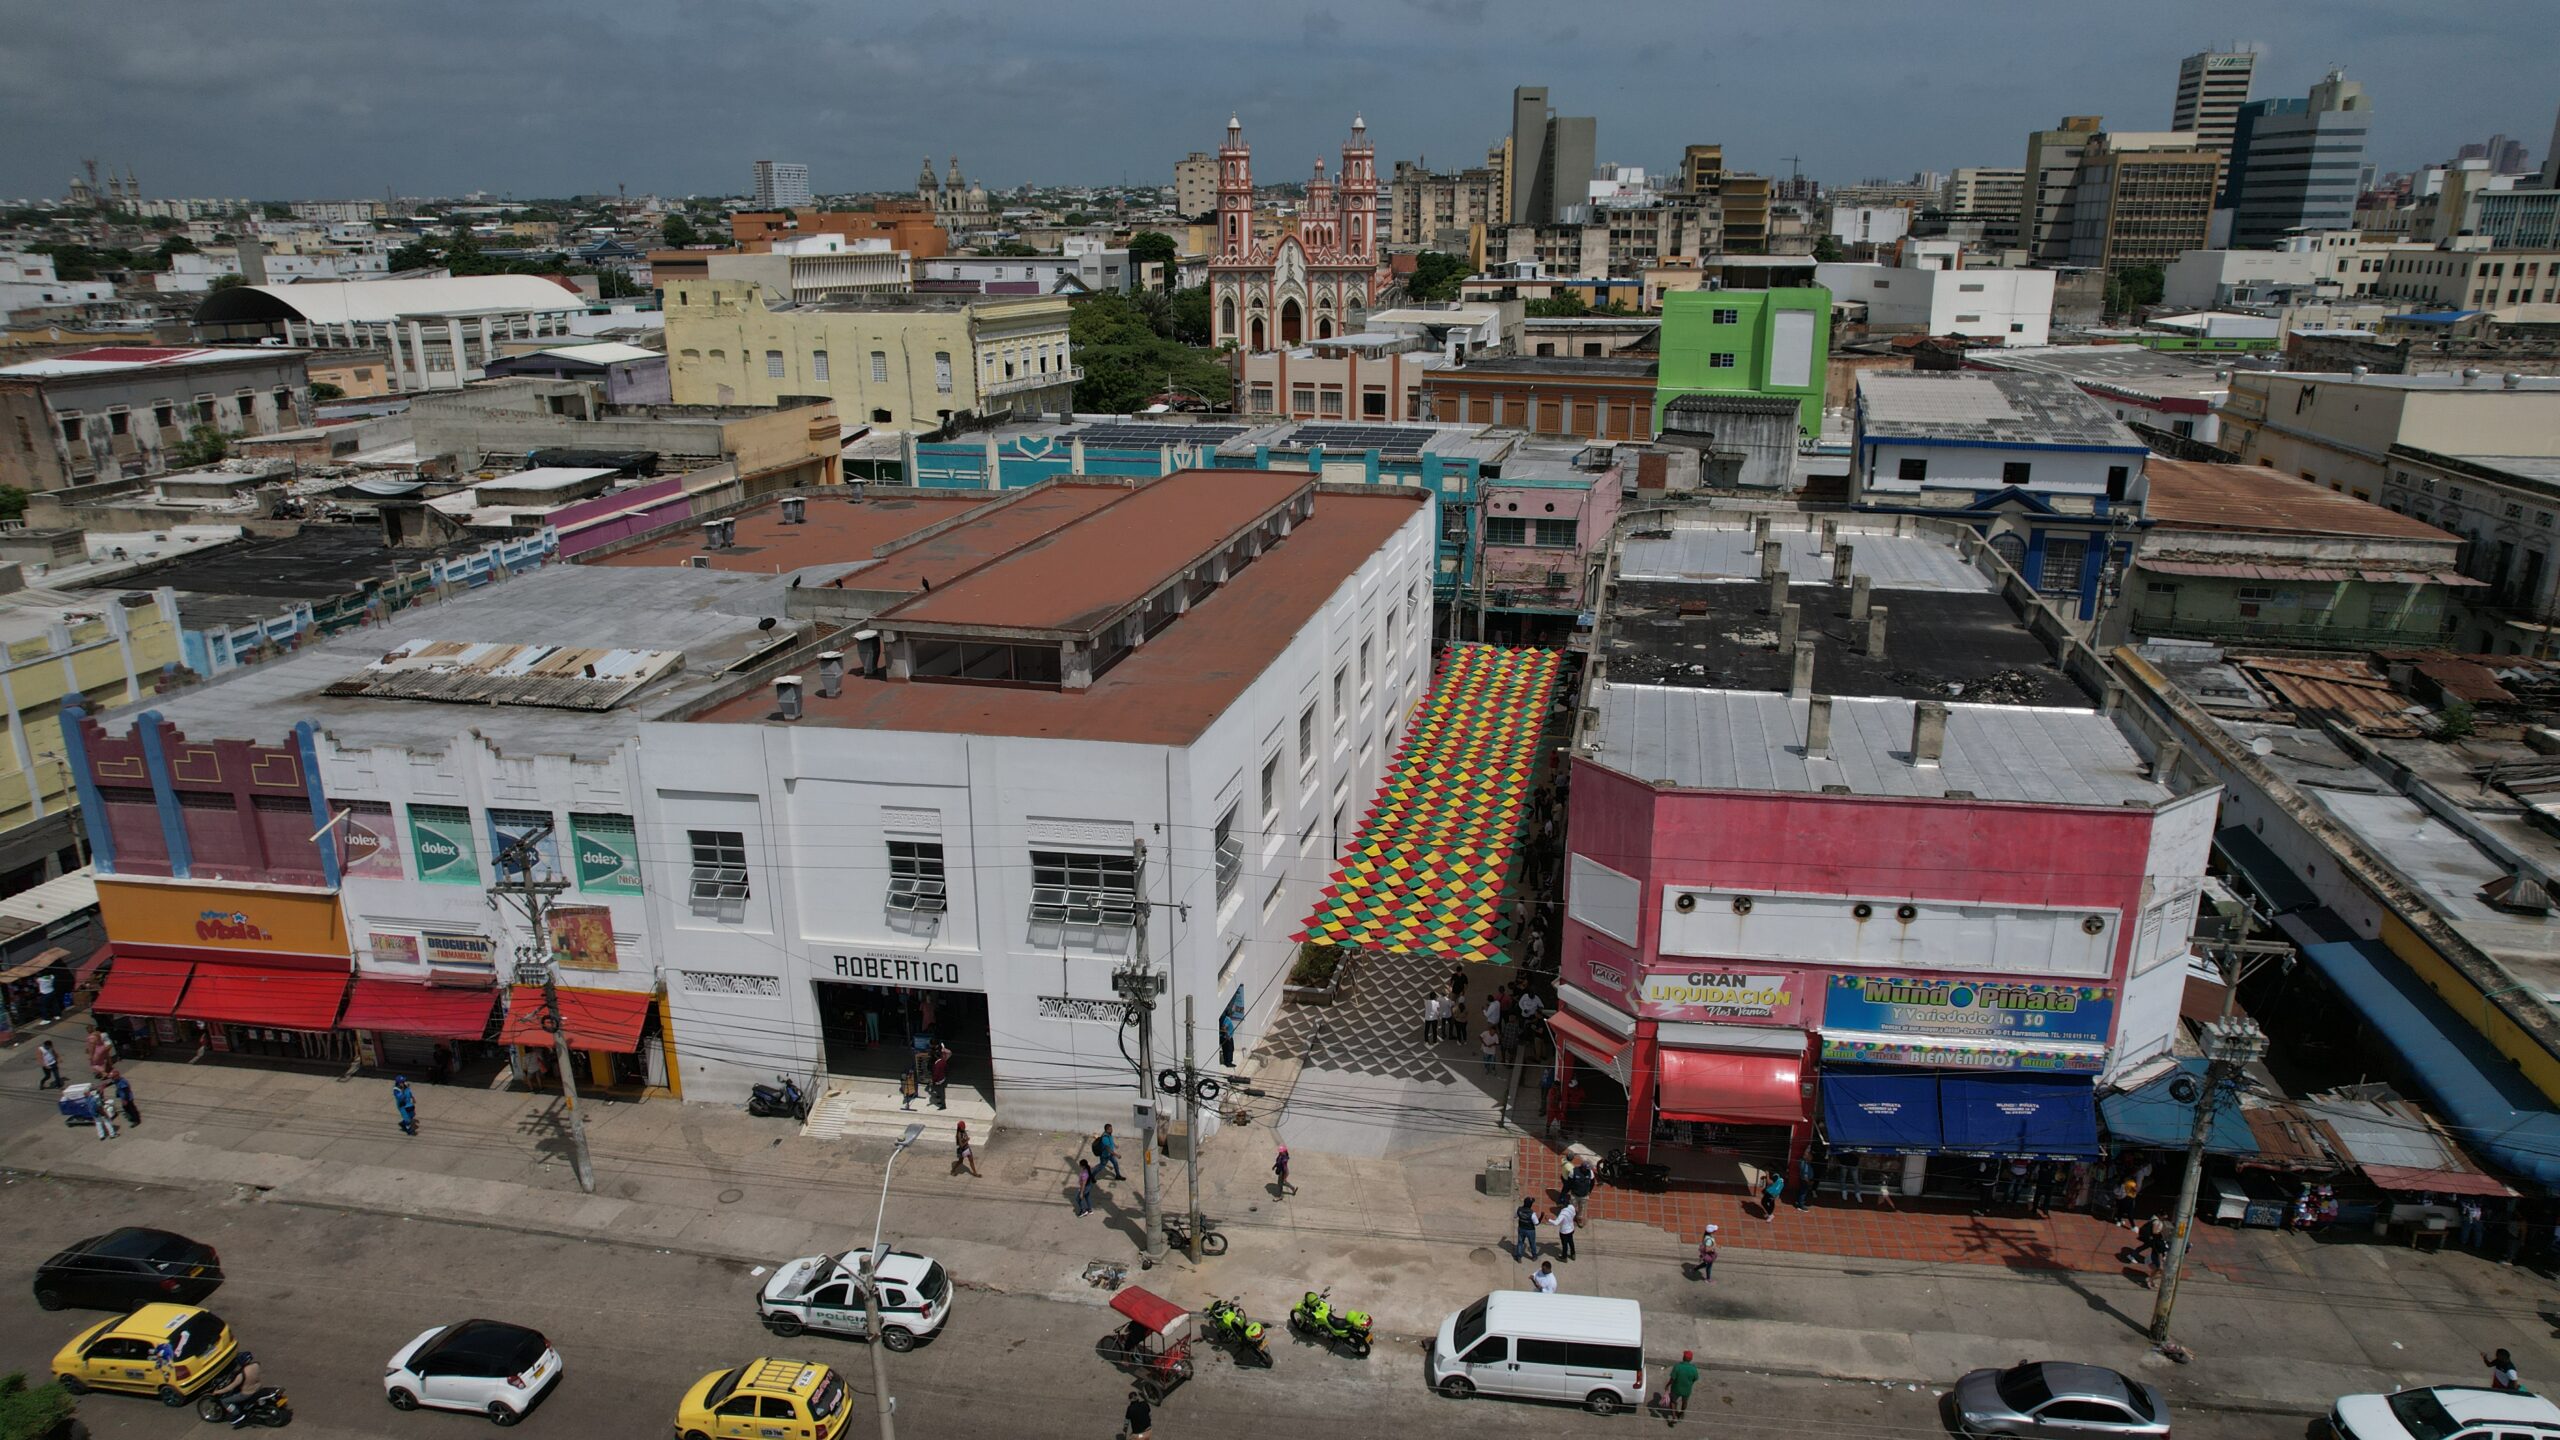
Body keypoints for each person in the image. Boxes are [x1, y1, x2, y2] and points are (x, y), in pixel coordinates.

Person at [206, 1351, 263, 1422]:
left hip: (247, 1393)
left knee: (224, 1401)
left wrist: (218, 1392)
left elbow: (230, 1387)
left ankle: (238, 1414)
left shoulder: (241, 1375)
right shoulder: (256, 1365)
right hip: (257, 1388)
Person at [1661, 1351, 1701, 1424]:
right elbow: (1695, 1379)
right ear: (1691, 1359)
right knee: (1685, 1402)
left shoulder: (1677, 1367)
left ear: (1683, 1358)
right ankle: (1681, 1413)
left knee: (1673, 1401)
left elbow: (1672, 1379)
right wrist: (1689, 1383)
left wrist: (1667, 1385)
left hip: (1676, 1389)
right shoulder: (1693, 1369)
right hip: (1687, 1389)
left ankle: (1674, 1417)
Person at [1514, 1195, 1541, 1262]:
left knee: (1520, 1243)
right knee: (1532, 1243)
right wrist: (1541, 1217)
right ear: (1530, 1205)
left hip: (1521, 1228)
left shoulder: (1519, 1209)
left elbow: (1515, 1216)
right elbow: (1536, 1223)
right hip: (1530, 1230)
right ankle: (1534, 1256)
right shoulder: (1532, 1213)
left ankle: (1519, 1257)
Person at [1552, 1197, 1579, 1261]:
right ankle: (1573, 1254)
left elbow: (1556, 1223)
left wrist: (1549, 1220)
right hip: (1571, 1228)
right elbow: (1574, 1214)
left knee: (1564, 1244)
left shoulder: (1563, 1213)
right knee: (1571, 1241)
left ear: (1562, 1205)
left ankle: (1564, 1256)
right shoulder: (1571, 1207)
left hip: (1564, 1231)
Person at [929, 1043, 951, 1110]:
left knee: (940, 1092)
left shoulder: (937, 1064)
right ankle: (942, 1102)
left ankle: (943, 1105)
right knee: (941, 1092)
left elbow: (936, 1074)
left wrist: (933, 1080)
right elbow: (946, 1069)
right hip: (942, 1079)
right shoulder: (943, 1061)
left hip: (938, 1080)